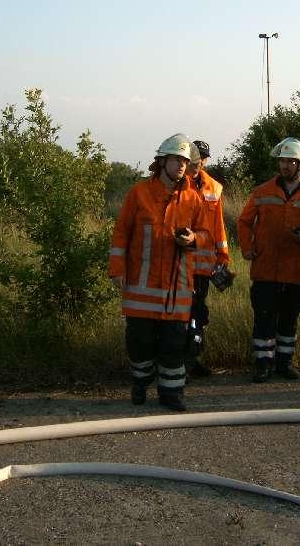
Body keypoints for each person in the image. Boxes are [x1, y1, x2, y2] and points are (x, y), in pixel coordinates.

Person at [108, 133, 210, 412]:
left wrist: (193, 239)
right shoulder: (139, 193)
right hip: (141, 290)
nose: (181, 165)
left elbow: (206, 235)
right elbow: (121, 233)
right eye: (176, 159)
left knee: (174, 344)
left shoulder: (193, 198)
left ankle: (171, 392)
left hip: (177, 289)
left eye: (185, 161)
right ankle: (140, 383)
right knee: (139, 342)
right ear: (162, 161)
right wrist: (116, 269)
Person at [237, 137, 300, 383]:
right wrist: (247, 247)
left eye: (290, 161)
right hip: (265, 268)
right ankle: (262, 364)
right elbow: (244, 222)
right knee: (264, 319)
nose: (285, 165)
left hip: (296, 271)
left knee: (289, 320)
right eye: (282, 161)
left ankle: (284, 363)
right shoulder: (262, 191)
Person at [183, 139, 230, 377]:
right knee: (181, 314)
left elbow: (218, 226)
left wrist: (223, 257)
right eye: (195, 156)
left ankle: (193, 360)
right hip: (179, 264)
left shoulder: (214, 187)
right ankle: (178, 363)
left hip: (203, 267)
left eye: (203, 157)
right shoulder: (178, 183)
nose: (199, 161)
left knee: (198, 313)